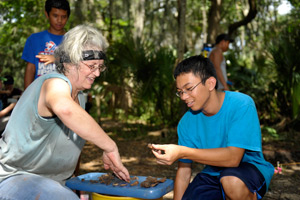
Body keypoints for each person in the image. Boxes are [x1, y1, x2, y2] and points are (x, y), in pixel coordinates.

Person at [0, 24, 130, 199]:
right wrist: (110, 146)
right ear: (69, 63)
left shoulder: (81, 97)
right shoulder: (54, 83)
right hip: (13, 176)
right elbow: (64, 108)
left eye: (100, 66)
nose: (97, 73)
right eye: (92, 66)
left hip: (56, 181)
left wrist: (74, 181)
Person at [149, 55, 274, 200]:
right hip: (212, 173)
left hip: (247, 168)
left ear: (210, 83)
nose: (184, 97)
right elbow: (184, 172)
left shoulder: (241, 104)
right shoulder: (186, 123)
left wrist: (182, 152)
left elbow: (233, 158)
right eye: (180, 92)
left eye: (189, 88)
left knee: (231, 182)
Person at [22, 0, 71, 90]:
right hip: (39, 93)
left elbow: (79, 64)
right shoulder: (34, 39)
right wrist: (27, 96)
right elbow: (30, 69)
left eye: (63, 17)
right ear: (47, 14)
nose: (59, 20)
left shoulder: (73, 40)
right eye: (55, 16)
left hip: (66, 92)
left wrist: (57, 59)